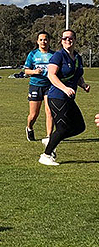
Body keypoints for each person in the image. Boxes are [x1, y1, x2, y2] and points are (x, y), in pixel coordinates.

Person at [39, 29, 89, 166]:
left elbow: (77, 75)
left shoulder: (77, 57)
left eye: (71, 38)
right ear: (61, 41)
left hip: (69, 98)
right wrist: (65, 88)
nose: (68, 40)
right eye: (65, 38)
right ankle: (46, 155)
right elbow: (51, 75)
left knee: (79, 127)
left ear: (75, 40)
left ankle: (52, 140)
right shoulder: (58, 56)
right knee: (63, 127)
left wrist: (83, 85)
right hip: (57, 96)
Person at [23, 31, 54, 142]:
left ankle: (49, 136)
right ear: (37, 41)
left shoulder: (54, 55)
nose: (43, 41)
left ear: (49, 41)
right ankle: (29, 128)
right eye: (41, 39)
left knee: (49, 111)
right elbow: (26, 71)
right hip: (35, 86)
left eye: (45, 39)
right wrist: (35, 71)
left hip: (49, 86)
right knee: (34, 114)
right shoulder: (33, 54)